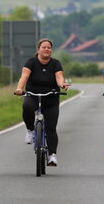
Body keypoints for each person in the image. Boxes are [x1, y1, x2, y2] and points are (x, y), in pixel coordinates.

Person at [14, 38, 69, 167]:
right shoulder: (31, 62)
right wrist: (19, 88)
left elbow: (59, 77)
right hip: (33, 95)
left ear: (51, 50)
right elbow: (24, 76)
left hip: (51, 97)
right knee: (27, 106)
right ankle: (30, 130)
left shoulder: (55, 63)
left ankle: (52, 155)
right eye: (43, 47)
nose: (46, 49)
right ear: (38, 50)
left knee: (51, 128)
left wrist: (62, 84)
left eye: (49, 47)